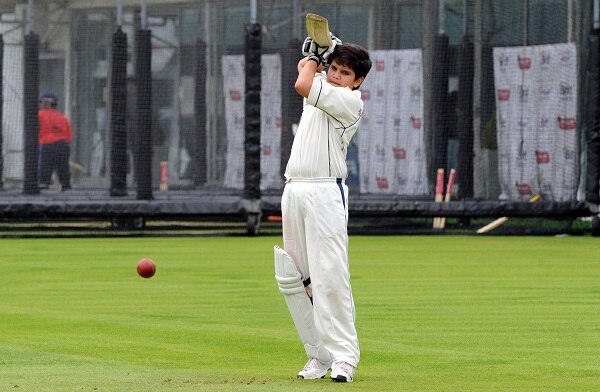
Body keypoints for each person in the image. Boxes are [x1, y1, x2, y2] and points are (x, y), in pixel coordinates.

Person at [274, 36, 371, 383]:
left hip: (324, 190)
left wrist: (318, 56)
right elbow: (306, 70)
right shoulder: (324, 83)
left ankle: (345, 357)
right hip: (295, 188)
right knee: (296, 277)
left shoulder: (348, 101)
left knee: (329, 275)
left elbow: (302, 79)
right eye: (334, 69)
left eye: (344, 73)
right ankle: (319, 354)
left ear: (357, 81)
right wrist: (319, 54)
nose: (335, 76)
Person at [38, 91, 73, 190]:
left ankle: (43, 187)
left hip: (47, 146)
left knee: (44, 174)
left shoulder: (40, 115)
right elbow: (69, 137)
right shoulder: (62, 117)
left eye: (40, 102)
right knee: (63, 170)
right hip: (63, 146)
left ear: (46, 103)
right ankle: (66, 187)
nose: (39, 104)